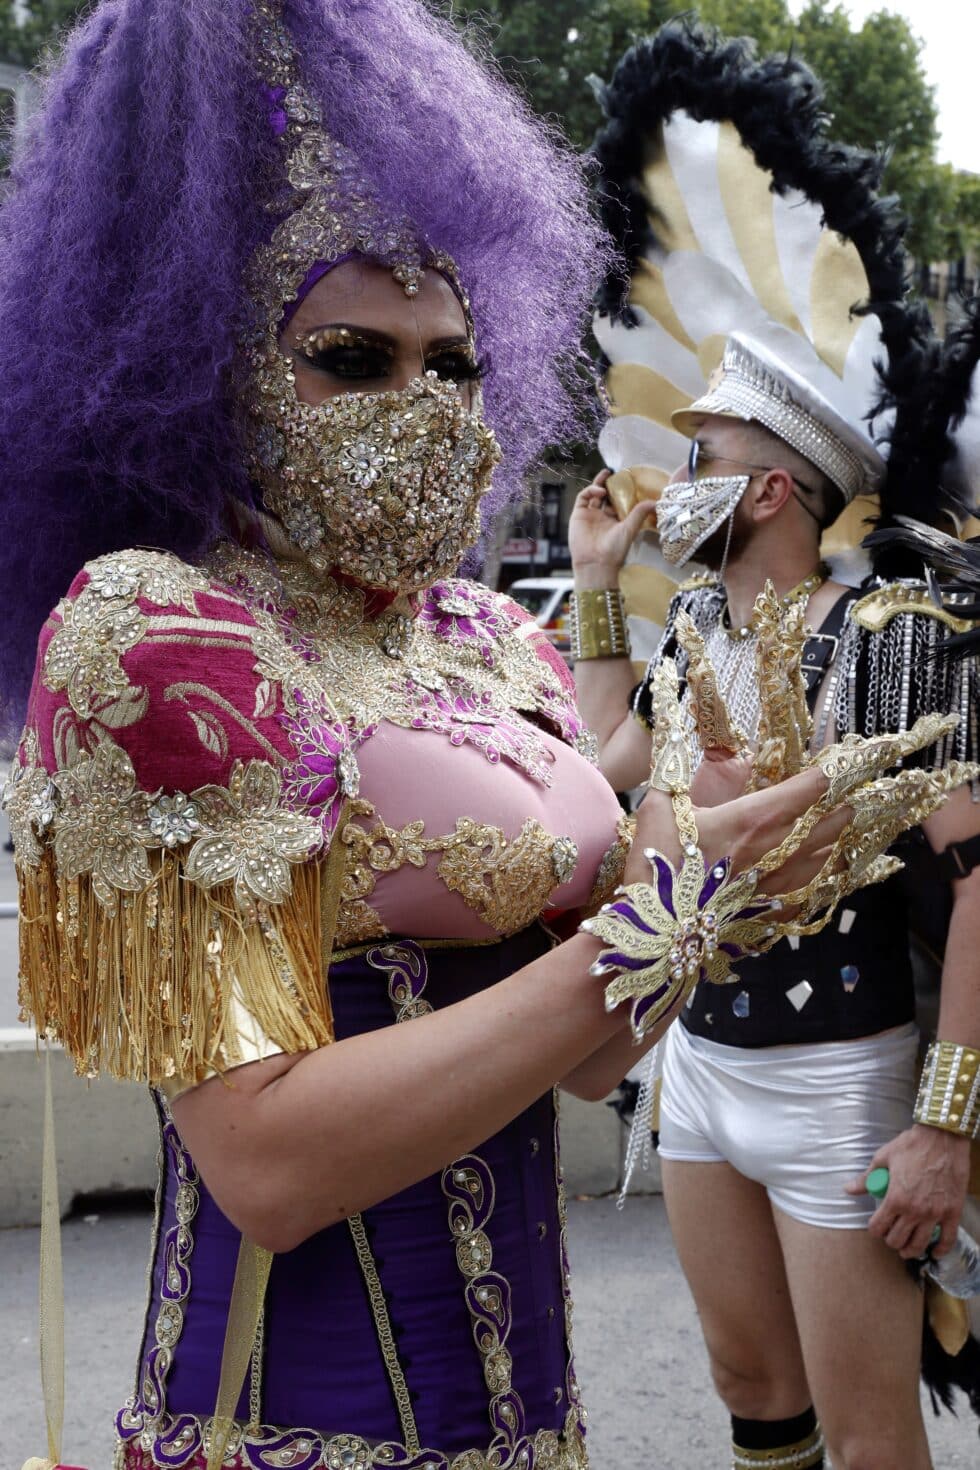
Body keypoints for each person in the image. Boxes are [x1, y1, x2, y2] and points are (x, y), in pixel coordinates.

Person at [3, 5, 943, 1470]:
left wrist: (711, 888)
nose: (425, 408)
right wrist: (660, 909)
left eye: (453, 362)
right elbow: (269, 1161)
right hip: (282, 1422)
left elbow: (576, 1061)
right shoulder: (159, 642)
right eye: (352, 356)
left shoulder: (478, 635)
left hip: (529, 1419)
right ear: (208, 359)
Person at [573, 22, 980, 1470]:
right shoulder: (688, 631)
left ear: (769, 494)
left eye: (705, 454)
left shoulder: (895, 637)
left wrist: (947, 1126)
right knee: (754, 1387)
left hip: (836, 1076)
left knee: (872, 1441)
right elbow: (612, 760)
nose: (676, 475)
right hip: (704, 1060)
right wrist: (588, 591)